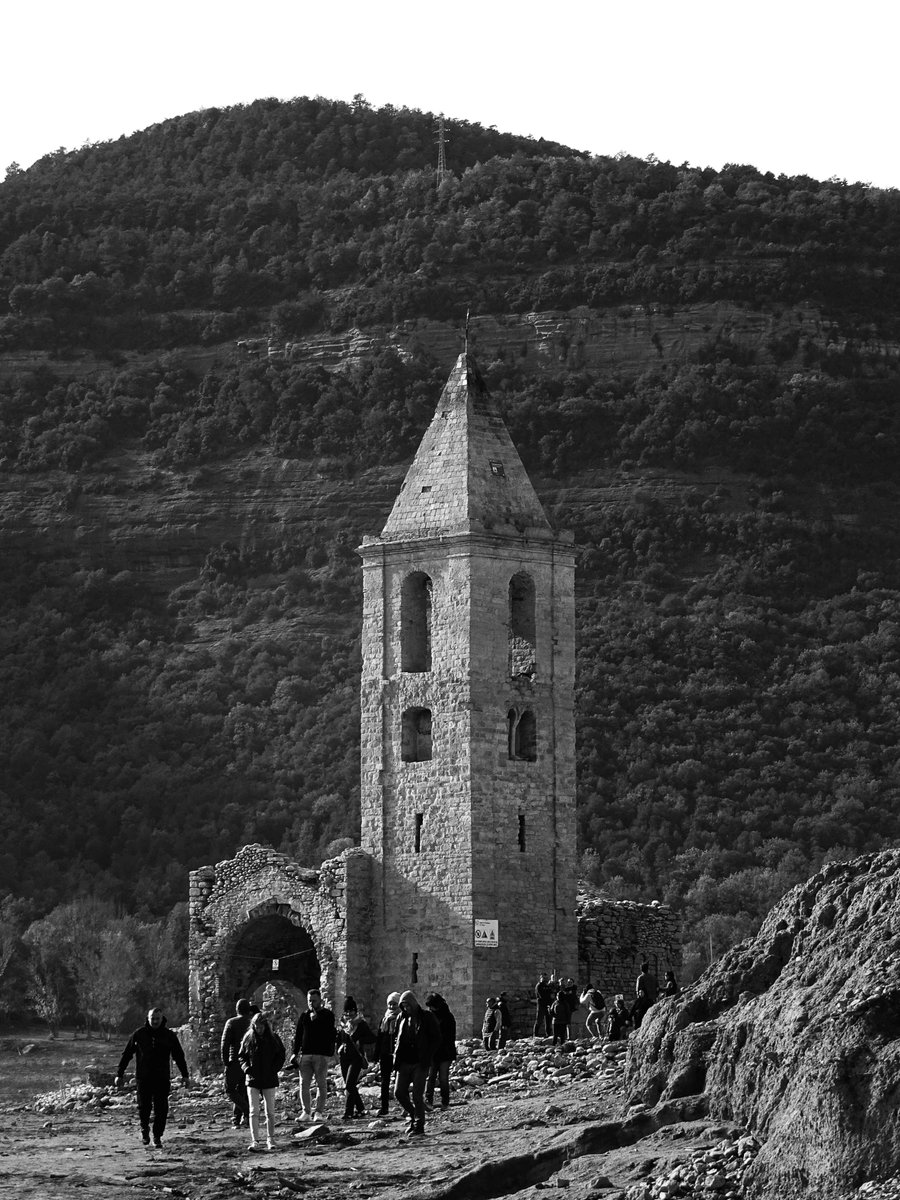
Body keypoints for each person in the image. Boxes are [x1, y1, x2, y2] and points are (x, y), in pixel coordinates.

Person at [116, 1007, 189, 1149]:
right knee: (144, 1107)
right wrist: (119, 1074)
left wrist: (185, 1075)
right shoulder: (139, 1034)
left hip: (162, 1078)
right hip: (143, 1078)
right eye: (152, 1019)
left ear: (162, 1019)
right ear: (148, 1019)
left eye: (157, 1019)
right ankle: (144, 1130)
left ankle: (157, 1136)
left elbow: (179, 1056)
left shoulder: (169, 1036)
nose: (155, 1021)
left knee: (161, 1109)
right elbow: (127, 1055)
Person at [392, 990, 440, 1136]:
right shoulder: (401, 1018)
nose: (406, 1008)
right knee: (399, 1092)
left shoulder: (426, 1017)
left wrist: (428, 1055)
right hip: (405, 1061)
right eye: (404, 1006)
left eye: (408, 1005)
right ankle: (414, 1116)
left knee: (417, 1095)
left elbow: (436, 1038)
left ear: (413, 1003)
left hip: (420, 1061)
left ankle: (419, 1126)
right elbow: (397, 1038)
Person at [238, 1011, 285, 1152]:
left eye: (261, 1027)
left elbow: (281, 1055)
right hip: (252, 1079)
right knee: (254, 1111)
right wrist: (247, 1069)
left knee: (270, 1111)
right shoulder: (248, 1038)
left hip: (269, 1078)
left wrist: (274, 1069)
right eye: (256, 1027)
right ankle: (255, 1140)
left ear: (265, 1026)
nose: (259, 1030)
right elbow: (242, 1056)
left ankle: (270, 1139)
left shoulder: (273, 1039)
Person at [291, 988, 336, 1121]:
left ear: (320, 1001)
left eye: (314, 1001)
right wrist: (294, 1053)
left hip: (321, 1055)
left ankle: (318, 1112)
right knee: (303, 1084)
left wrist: (317, 1019)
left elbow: (330, 1032)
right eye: (309, 1001)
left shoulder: (327, 1015)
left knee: (321, 1084)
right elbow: (298, 1035)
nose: (311, 1003)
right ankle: (306, 1111)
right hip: (305, 1054)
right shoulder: (304, 1015)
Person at [335, 997, 376, 1119]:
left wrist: (359, 1040)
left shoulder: (361, 1024)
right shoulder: (342, 1024)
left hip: (356, 1057)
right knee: (350, 1085)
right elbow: (338, 1039)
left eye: (351, 1011)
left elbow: (372, 1038)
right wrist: (339, 1046)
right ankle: (361, 1109)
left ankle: (348, 1112)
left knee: (349, 1084)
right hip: (344, 1057)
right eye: (346, 1011)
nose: (348, 1014)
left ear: (355, 1011)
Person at [220, 998, 253, 1127]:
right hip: (249, 1061)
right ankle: (238, 1118)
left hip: (234, 1060)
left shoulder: (231, 1022)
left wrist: (225, 1060)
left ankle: (247, 1112)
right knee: (242, 1090)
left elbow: (225, 1043)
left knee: (230, 1089)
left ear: (237, 1009)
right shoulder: (252, 1022)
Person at [424, 992, 457, 1109]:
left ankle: (445, 1102)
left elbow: (450, 1037)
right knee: (431, 1077)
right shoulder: (429, 1017)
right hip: (433, 1053)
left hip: (445, 1052)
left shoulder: (448, 1017)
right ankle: (428, 1101)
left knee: (443, 1078)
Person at [373, 992, 401, 1117]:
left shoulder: (402, 1019)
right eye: (390, 1004)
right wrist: (376, 1055)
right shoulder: (384, 1020)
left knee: (401, 1083)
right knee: (385, 1082)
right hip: (385, 1055)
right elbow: (379, 1039)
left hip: (398, 1054)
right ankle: (384, 1108)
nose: (391, 1007)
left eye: (394, 1004)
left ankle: (403, 1107)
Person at [633, 961, 659, 1028]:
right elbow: (657, 989)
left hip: (643, 1002)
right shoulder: (653, 978)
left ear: (641, 969)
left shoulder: (640, 978)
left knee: (639, 1019)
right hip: (652, 1001)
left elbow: (638, 990)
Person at [533, 972, 554, 1037]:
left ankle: (548, 1034)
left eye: (546, 978)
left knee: (548, 1021)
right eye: (543, 978)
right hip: (541, 1005)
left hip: (548, 1005)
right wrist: (549, 996)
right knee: (539, 1020)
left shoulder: (548, 986)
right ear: (540, 978)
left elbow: (552, 994)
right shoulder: (539, 986)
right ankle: (535, 1035)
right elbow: (542, 995)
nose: (545, 979)